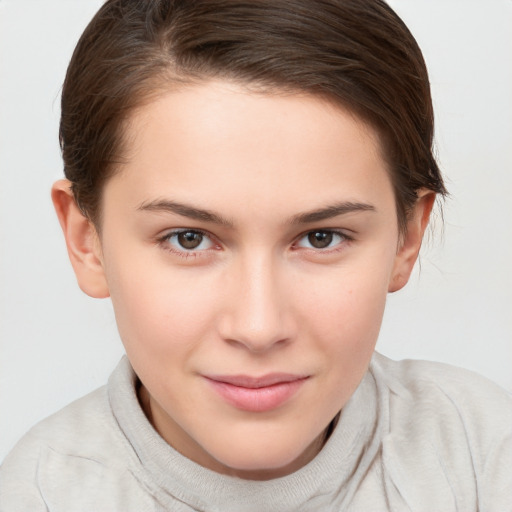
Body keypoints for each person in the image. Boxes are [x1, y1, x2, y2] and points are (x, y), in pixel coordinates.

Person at [0, 0, 510, 510]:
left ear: (407, 237)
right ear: (87, 240)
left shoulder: (480, 452)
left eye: (321, 237)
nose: (259, 327)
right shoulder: (39, 495)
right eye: (189, 238)